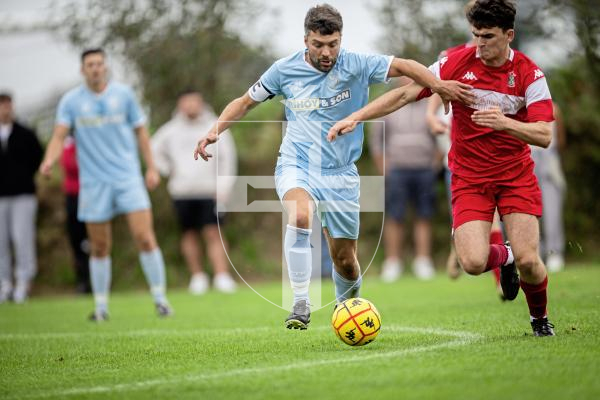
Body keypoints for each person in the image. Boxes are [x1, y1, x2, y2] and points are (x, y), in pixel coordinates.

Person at [194, 4, 473, 330]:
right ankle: (300, 301)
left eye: (333, 44)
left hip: (341, 173)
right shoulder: (283, 70)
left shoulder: (358, 64)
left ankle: (348, 309)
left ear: (340, 40)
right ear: (306, 41)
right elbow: (244, 102)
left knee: (346, 261)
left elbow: (408, 66)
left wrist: (439, 87)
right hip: (297, 163)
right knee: (300, 215)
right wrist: (214, 130)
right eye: (318, 45)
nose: (326, 52)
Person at [329, 0, 556, 336]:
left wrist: (504, 123)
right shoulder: (454, 63)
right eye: (476, 35)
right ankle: (504, 256)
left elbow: (544, 134)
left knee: (530, 262)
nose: (480, 44)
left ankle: (539, 319)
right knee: (473, 263)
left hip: (515, 177)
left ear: (509, 35)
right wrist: (355, 117)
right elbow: (405, 95)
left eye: (489, 37)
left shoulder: (529, 74)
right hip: (469, 178)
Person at [40, 48, 173, 321]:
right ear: (82, 70)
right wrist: (48, 161)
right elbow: (58, 136)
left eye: (100, 64)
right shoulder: (71, 101)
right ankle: (101, 307)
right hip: (93, 183)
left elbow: (141, 133)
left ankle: (160, 299)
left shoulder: (123, 95)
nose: (96, 69)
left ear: (106, 67)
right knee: (99, 246)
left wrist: (151, 167)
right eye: (90, 65)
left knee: (145, 238)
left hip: (127, 178)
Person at [152, 90, 238, 295]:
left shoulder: (215, 126)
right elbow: (152, 149)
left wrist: (224, 186)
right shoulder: (170, 130)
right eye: (186, 102)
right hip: (182, 191)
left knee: (213, 232)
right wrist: (168, 170)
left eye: (194, 101)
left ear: (201, 103)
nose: (190, 106)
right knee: (188, 233)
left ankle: (221, 276)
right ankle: (197, 277)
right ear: (180, 104)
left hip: (210, 191)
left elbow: (228, 158)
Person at [370, 77, 437, 282]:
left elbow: (440, 138)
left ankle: (423, 261)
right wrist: (384, 169)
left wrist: (435, 165)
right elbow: (377, 141)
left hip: (425, 169)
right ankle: (392, 262)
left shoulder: (429, 104)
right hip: (397, 170)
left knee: (424, 216)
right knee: (394, 216)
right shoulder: (389, 104)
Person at [0, 92, 43, 303]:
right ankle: (4, 284)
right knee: (1, 241)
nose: (5, 109)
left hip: (23, 194)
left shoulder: (25, 133)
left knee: (21, 238)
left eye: (7, 105)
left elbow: (37, 157)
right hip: (1, 196)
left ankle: (23, 283)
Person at [531, 102, 566, 272]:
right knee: (529, 210)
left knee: (552, 210)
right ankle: (536, 251)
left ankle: (554, 252)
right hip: (527, 159)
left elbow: (560, 140)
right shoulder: (518, 103)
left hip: (548, 158)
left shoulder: (554, 108)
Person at [60, 135, 91, 293]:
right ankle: (82, 280)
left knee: (93, 242)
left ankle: (95, 280)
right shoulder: (69, 143)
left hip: (92, 194)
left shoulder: (92, 139)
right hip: (74, 197)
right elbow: (69, 165)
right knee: (77, 242)